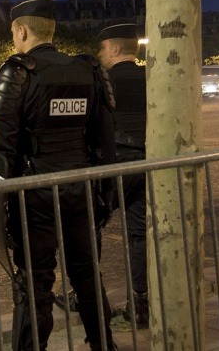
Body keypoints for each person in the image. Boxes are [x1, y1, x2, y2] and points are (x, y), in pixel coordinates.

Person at [0, 0, 117, 351]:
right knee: (87, 274)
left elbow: (3, 152)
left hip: (36, 195)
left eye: (14, 32)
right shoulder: (88, 70)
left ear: (22, 30)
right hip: (81, 190)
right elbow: (105, 142)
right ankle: (105, 345)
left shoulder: (17, 73)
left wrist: (4, 205)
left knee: (35, 283)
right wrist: (105, 194)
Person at [97, 23, 149, 328]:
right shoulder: (149, 78)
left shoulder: (103, 81)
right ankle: (139, 302)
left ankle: (89, 296)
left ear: (115, 49)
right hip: (145, 162)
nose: (101, 54)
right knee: (138, 233)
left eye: (103, 48)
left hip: (114, 165)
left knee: (89, 227)